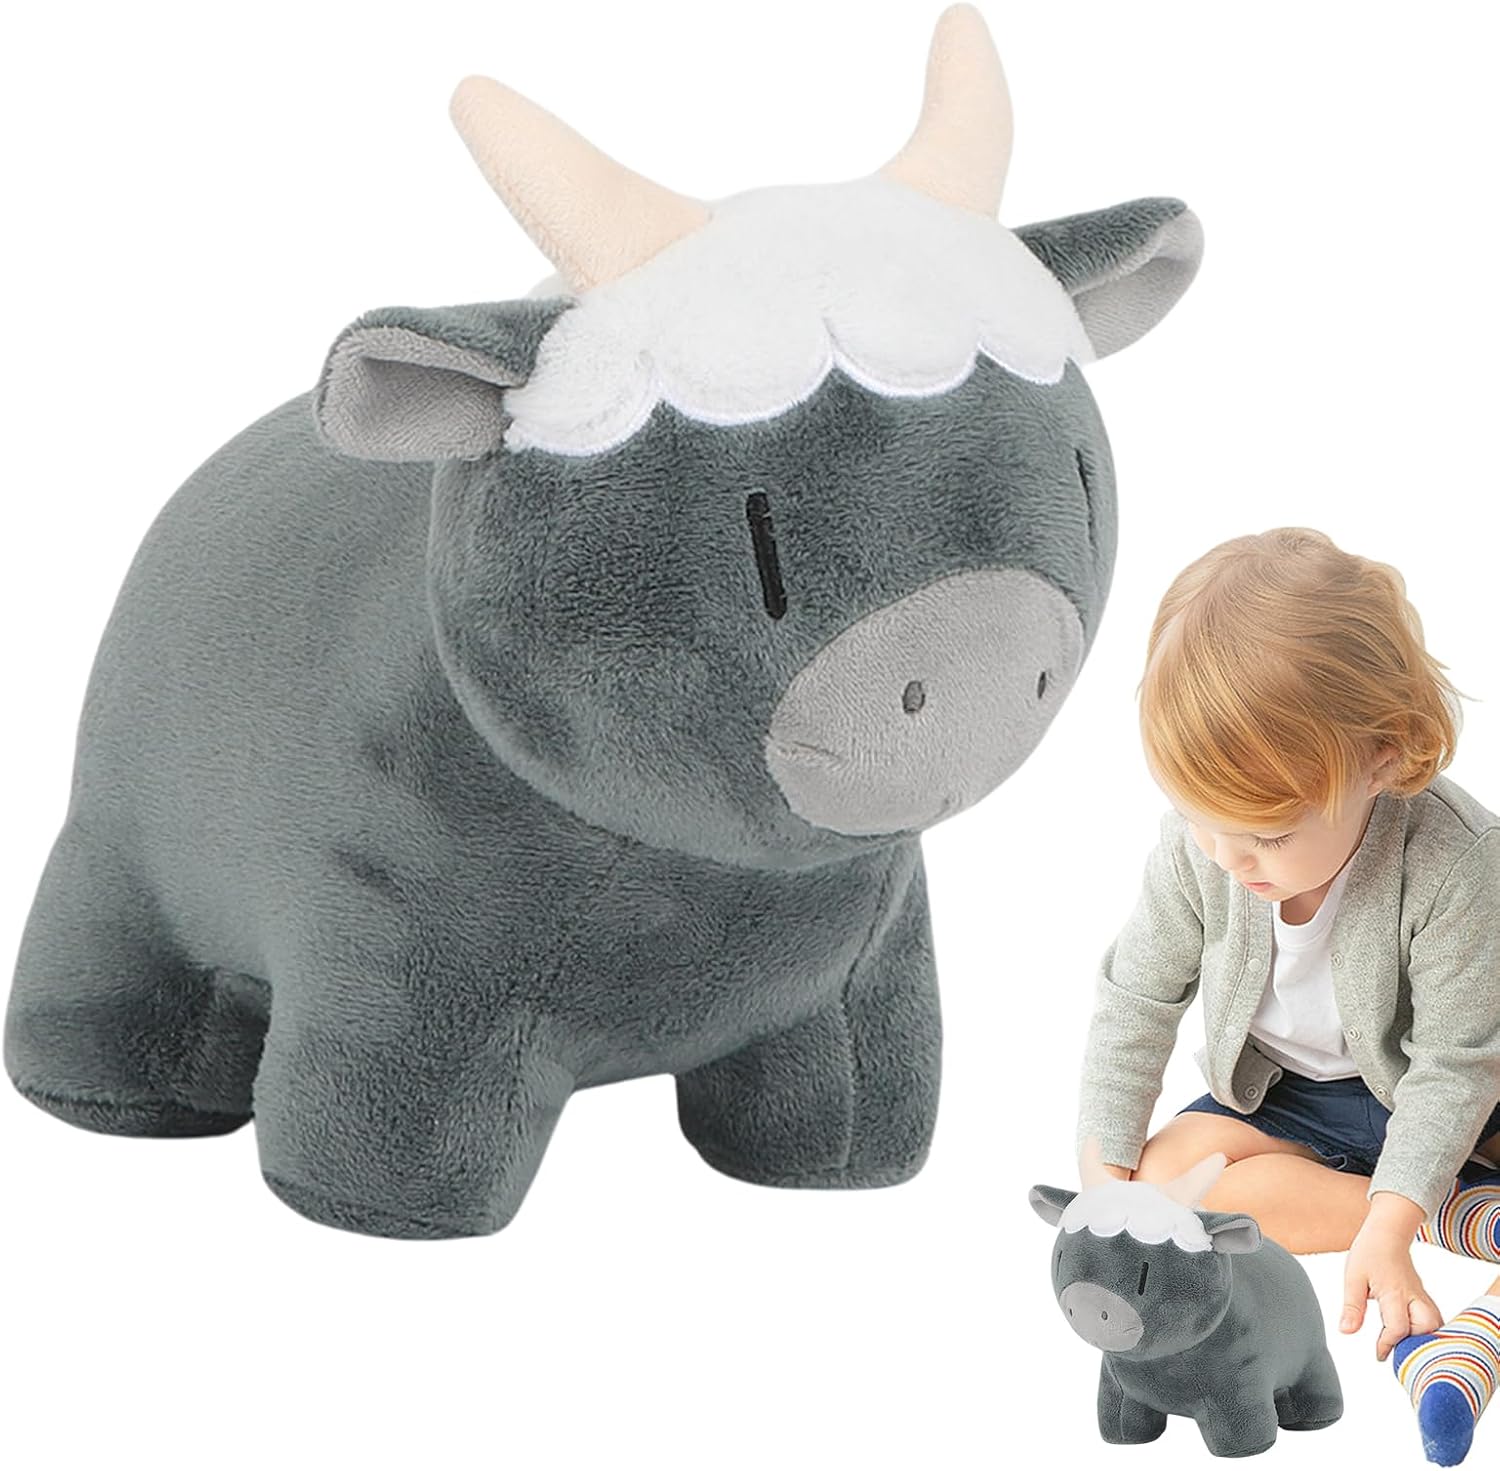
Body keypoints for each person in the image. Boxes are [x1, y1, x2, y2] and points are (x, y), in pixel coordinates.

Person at [1073, 527, 1500, 1466]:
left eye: (1265, 833)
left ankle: (1434, 1231)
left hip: (1442, 1101)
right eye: (1202, 819)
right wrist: (1104, 1185)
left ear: (1382, 759)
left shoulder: (1455, 860)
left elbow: (1455, 1066)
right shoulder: (1204, 849)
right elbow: (1137, 998)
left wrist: (1393, 1213)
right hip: (1286, 1098)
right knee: (1168, 1190)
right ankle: (1452, 1211)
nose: (1229, 857)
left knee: (1417, 1144)